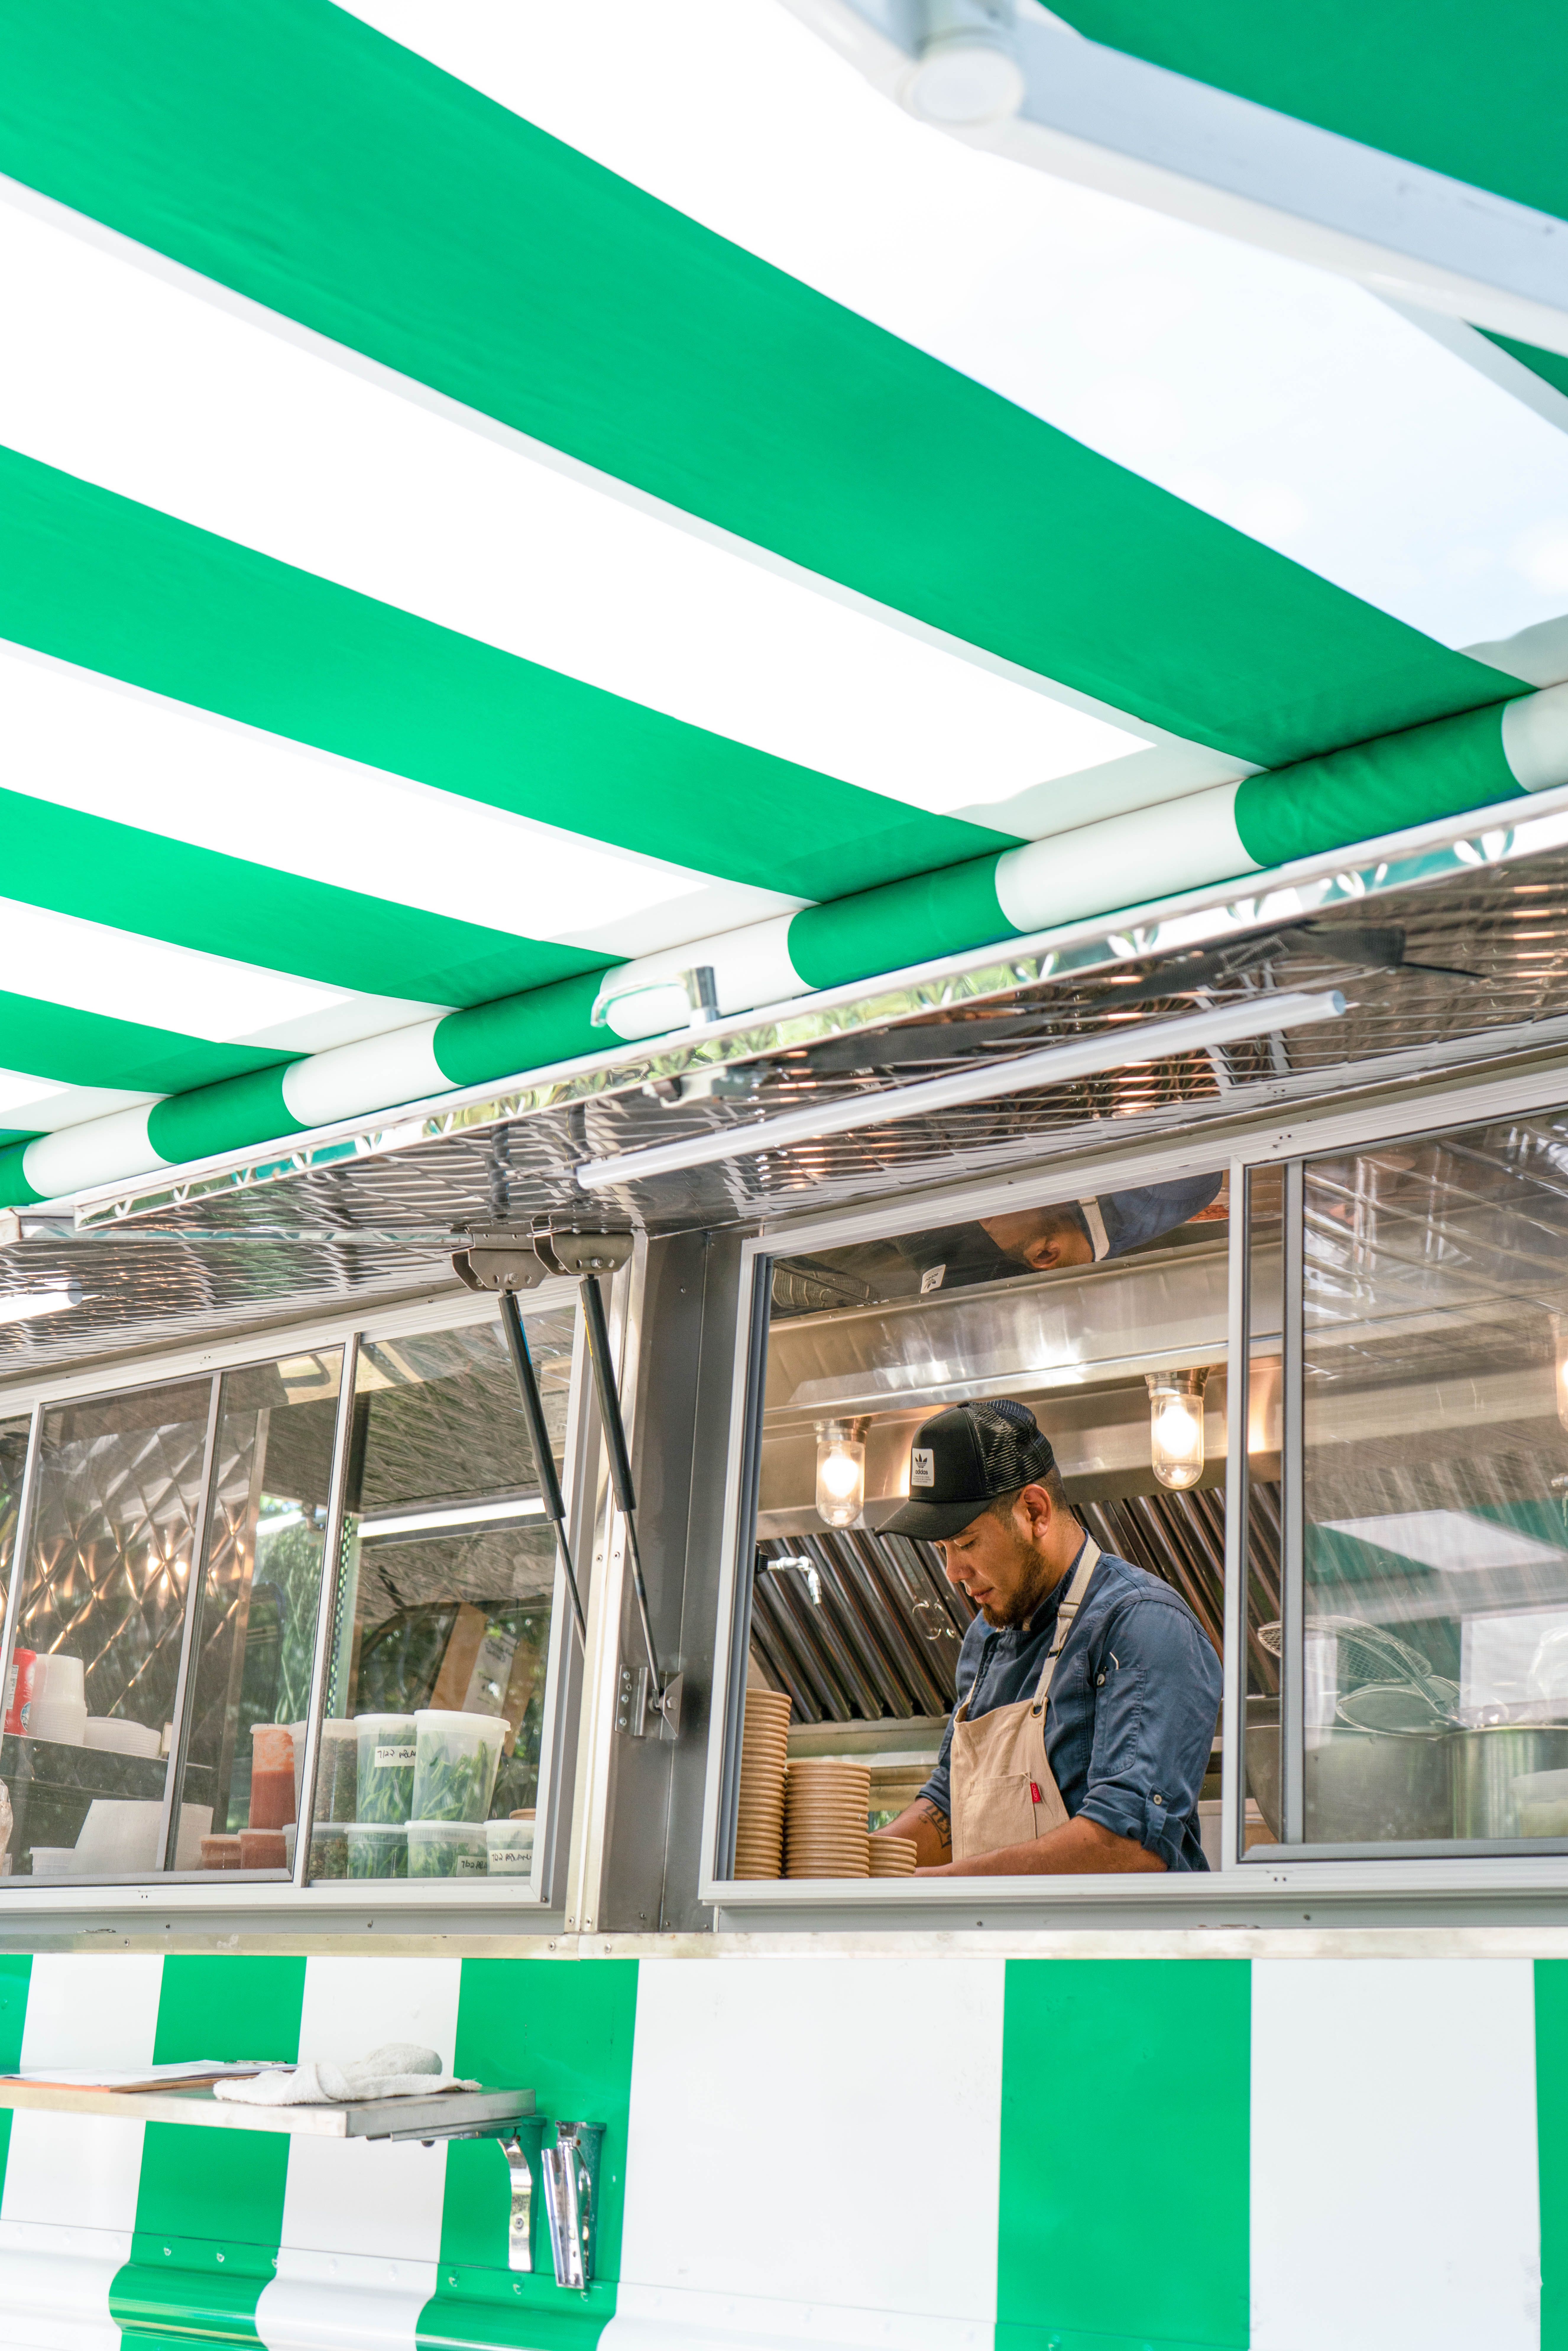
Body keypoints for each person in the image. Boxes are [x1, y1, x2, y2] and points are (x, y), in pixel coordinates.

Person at [876, 1398, 1221, 1876]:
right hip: (1002, 1946)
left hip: (1113, 1949)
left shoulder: (1140, 1625)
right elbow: (948, 1806)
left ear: (1034, 1511)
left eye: (965, 1542)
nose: (953, 1572)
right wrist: (853, 1864)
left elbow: (1127, 1842)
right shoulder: (985, 1636)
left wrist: (933, 1888)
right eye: (941, 1549)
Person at [899, 1173, 1223, 1294]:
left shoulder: (1063, 1207)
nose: (980, 1213)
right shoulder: (1167, 1188)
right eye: (987, 1224)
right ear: (1044, 1254)